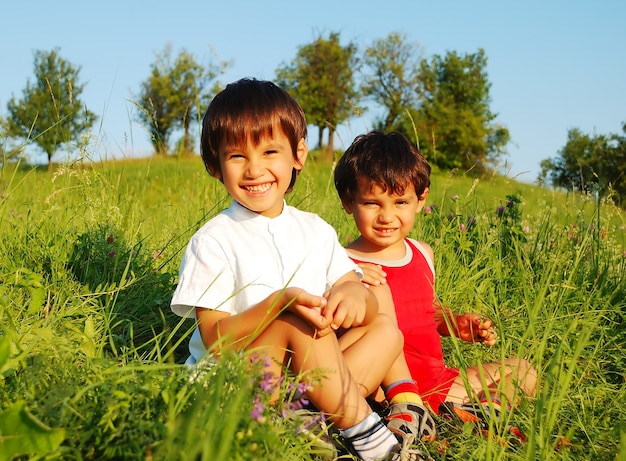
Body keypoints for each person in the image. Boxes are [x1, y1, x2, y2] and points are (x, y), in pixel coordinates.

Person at [170, 79, 433, 461]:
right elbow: (215, 340)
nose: (254, 169)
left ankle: (310, 422)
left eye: (270, 151)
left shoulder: (314, 230)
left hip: (306, 380)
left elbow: (353, 287)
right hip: (239, 383)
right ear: (215, 165)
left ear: (298, 155)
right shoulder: (214, 241)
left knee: (385, 331)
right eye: (237, 156)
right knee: (297, 320)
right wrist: (278, 305)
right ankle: (375, 443)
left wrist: (351, 295)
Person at [333, 130, 537, 437]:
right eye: (373, 203)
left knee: (525, 370)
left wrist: (454, 322)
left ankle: (485, 411)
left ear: (420, 200)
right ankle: (420, 412)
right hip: (386, 387)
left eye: (400, 202)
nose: (387, 216)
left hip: (438, 381)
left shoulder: (421, 253)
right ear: (349, 202)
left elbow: (425, 309)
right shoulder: (341, 262)